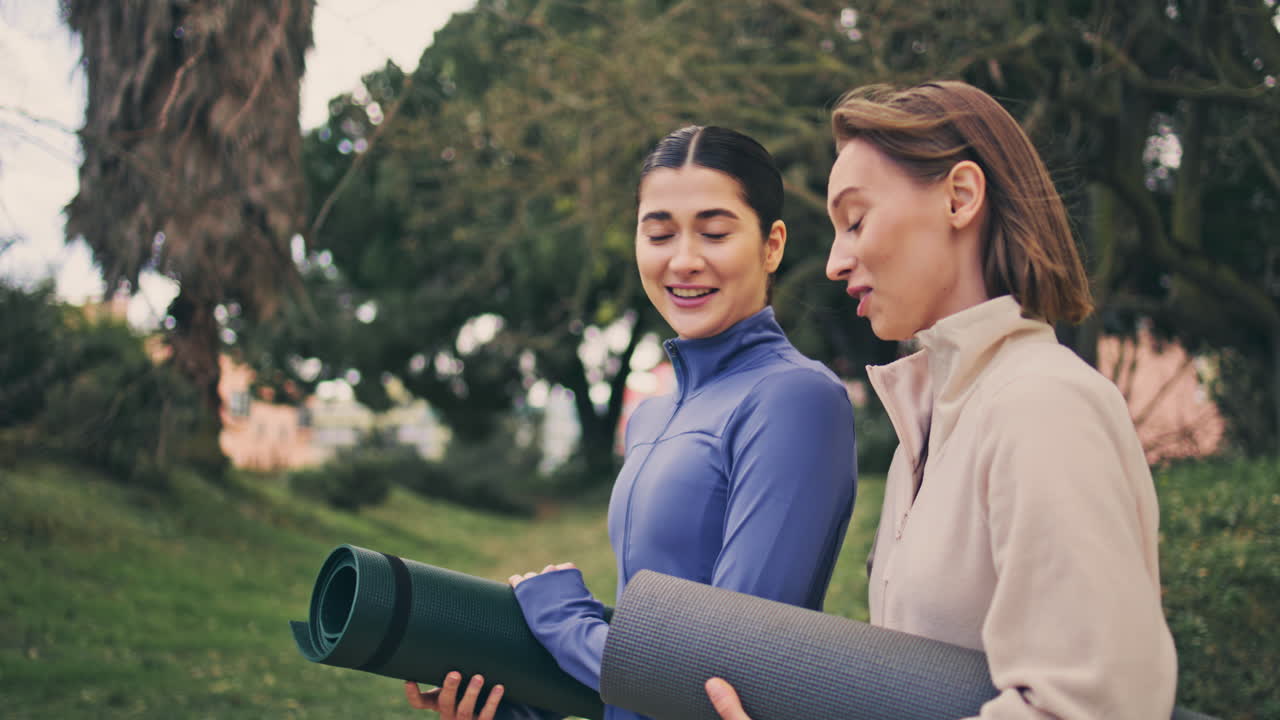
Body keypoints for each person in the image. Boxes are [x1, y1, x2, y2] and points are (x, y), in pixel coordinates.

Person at [703, 80, 1178, 719]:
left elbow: (1086, 707)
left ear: (959, 197)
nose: (834, 262)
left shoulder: (1043, 406)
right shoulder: (927, 433)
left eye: (856, 220)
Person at [404, 125, 860, 720]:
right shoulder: (651, 415)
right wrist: (523, 701)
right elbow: (644, 668)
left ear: (772, 245)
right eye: (659, 233)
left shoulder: (796, 399)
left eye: (716, 232)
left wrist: (564, 620)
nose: (684, 260)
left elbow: (725, 676)